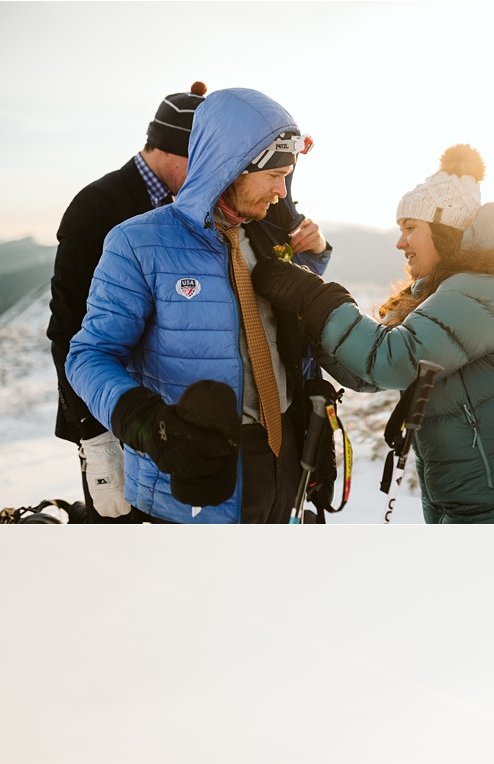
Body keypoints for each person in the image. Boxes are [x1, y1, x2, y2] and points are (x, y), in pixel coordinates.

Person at [250, 145, 494, 523]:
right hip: (478, 507)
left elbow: (392, 361)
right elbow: (367, 372)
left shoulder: (485, 290)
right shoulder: (443, 294)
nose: (400, 243)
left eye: (411, 229)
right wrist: (311, 329)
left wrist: (316, 299)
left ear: (446, 234)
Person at [64, 87, 334, 523]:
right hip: (189, 475)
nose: (281, 192)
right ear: (231, 167)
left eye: (288, 176)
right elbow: (88, 355)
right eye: (273, 176)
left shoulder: (266, 236)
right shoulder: (138, 243)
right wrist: (148, 424)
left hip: (283, 458)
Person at [48, 85, 204, 520]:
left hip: (165, 424)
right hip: (113, 420)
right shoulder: (97, 206)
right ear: (175, 152)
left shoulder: (181, 206)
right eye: (202, 160)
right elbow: (67, 331)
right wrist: (96, 437)